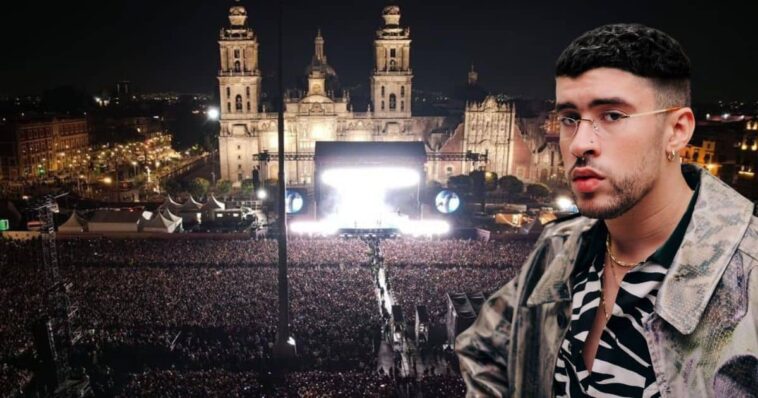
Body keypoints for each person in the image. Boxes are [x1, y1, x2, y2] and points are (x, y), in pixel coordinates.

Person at [456, 23, 758, 397]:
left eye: (612, 115)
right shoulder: (560, 248)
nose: (580, 142)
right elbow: (479, 348)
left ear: (677, 130)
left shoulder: (750, 283)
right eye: (569, 118)